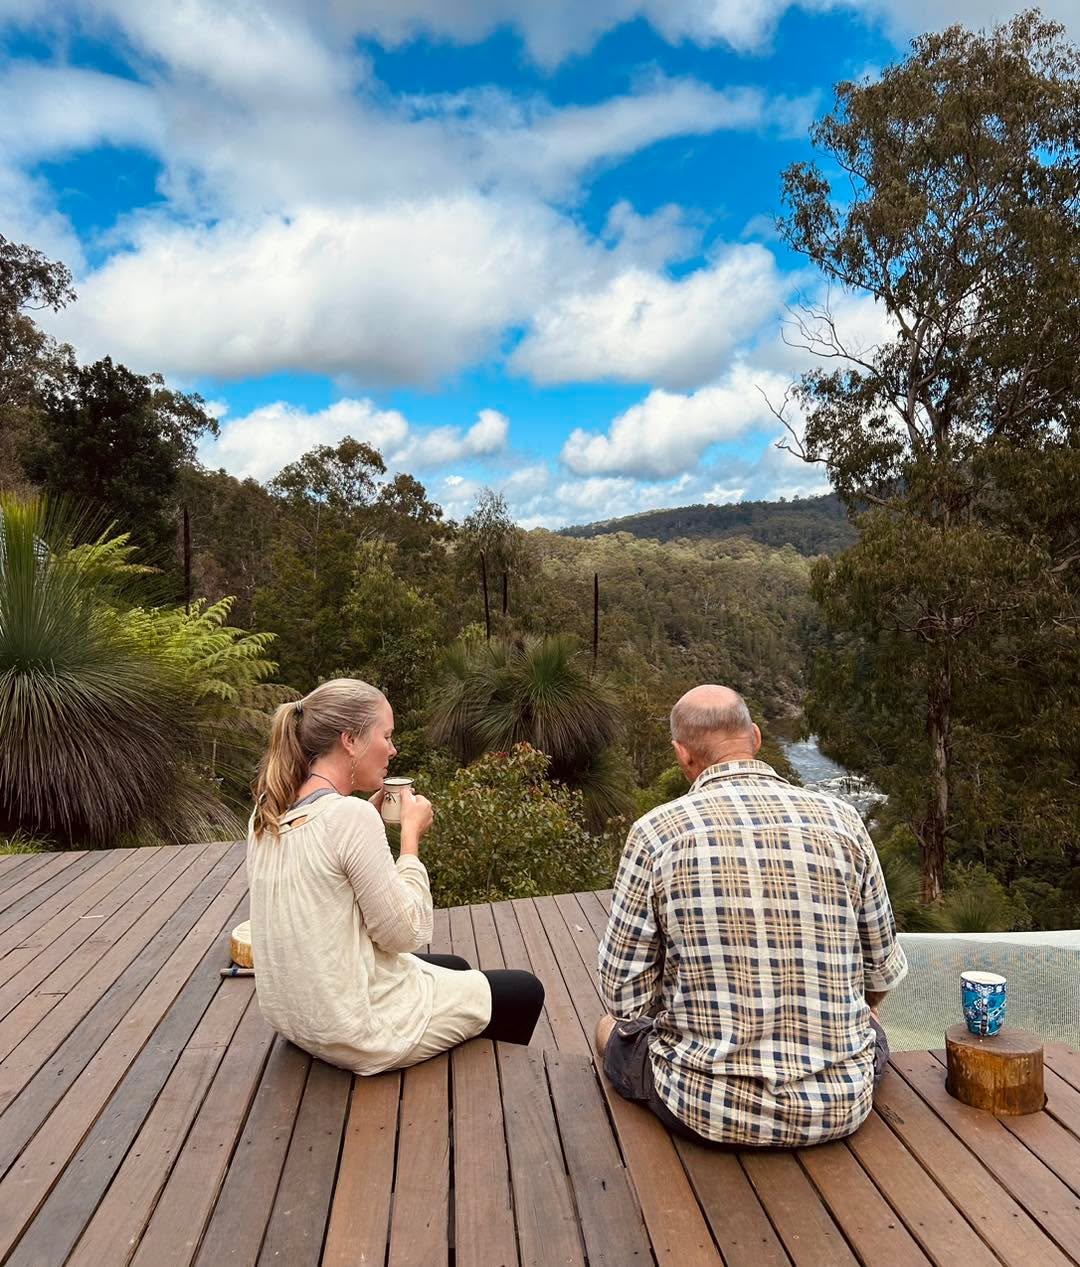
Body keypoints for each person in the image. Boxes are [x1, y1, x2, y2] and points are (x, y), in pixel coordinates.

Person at [595, 684, 907, 1148]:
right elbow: (880, 975)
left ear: (683, 756)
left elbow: (624, 1000)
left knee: (606, 1031)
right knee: (870, 1025)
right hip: (839, 1104)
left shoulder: (656, 833)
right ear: (756, 738)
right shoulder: (843, 821)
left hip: (705, 1107)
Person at [247, 677, 544, 1074]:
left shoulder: (269, 812)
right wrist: (409, 840)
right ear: (350, 740)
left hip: (298, 1016)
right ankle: (488, 1086)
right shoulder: (351, 818)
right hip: (353, 1030)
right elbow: (406, 934)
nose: (393, 749)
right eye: (386, 736)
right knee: (524, 990)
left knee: (454, 965)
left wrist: (365, 822)